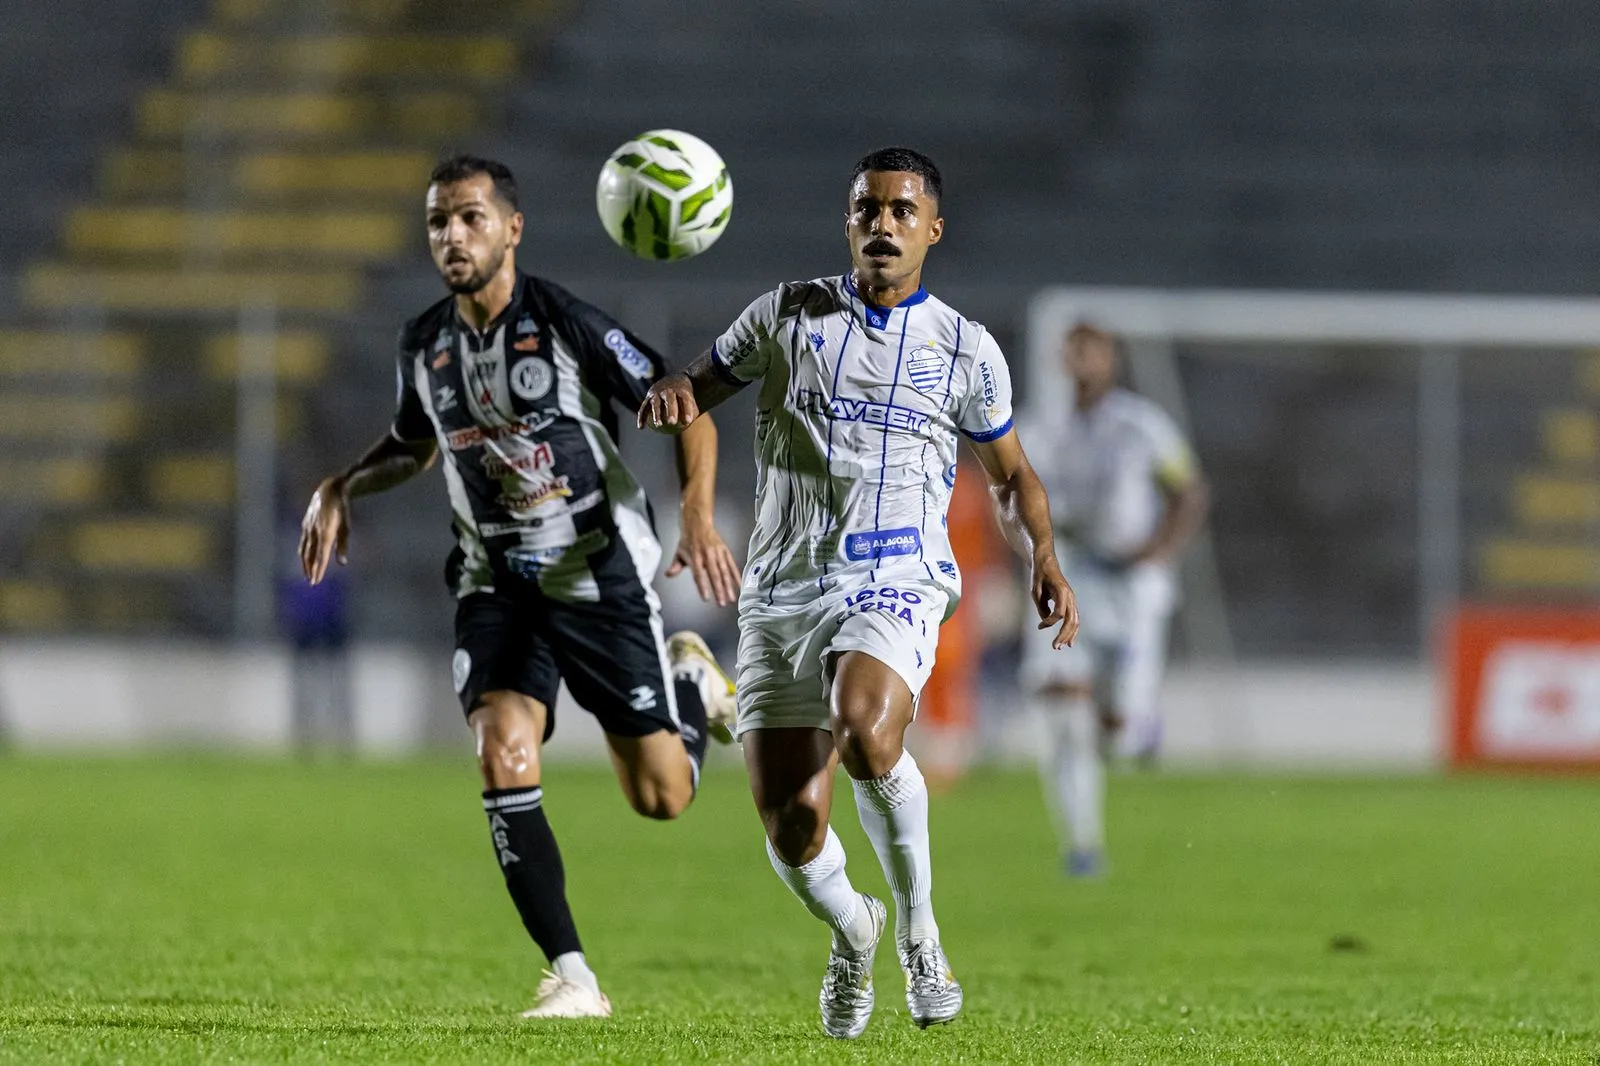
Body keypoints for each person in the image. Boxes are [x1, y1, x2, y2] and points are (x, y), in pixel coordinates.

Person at [637, 147, 1078, 1039]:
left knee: (869, 726)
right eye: (867, 209)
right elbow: (698, 387)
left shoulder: (964, 348)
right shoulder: (786, 315)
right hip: (782, 587)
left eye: (902, 212)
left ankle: (919, 932)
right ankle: (855, 929)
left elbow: (1014, 474)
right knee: (794, 830)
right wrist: (676, 394)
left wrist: (1045, 556)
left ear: (932, 229)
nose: (883, 224)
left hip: (897, 579)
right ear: (847, 222)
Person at [298, 155, 742, 1019]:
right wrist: (340, 484)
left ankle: (689, 682)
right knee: (501, 746)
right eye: (437, 223)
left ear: (512, 228)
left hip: (597, 574)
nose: (451, 237)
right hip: (494, 581)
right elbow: (412, 444)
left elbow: (681, 402)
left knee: (662, 797)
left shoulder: (566, 324)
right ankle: (573, 975)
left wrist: (697, 513)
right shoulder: (423, 342)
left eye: (469, 218)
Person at [1020, 322, 1208, 877]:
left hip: (1130, 583)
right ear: (1062, 357)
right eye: (1074, 349)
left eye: (1093, 349)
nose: (1083, 359)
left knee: (1115, 736)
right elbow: (1008, 494)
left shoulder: (1139, 424)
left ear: (1111, 358)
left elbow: (1188, 490)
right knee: (1062, 711)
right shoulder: (1041, 424)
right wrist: (1035, 556)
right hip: (1071, 576)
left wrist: (1160, 549)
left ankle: (1136, 726)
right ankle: (1082, 846)